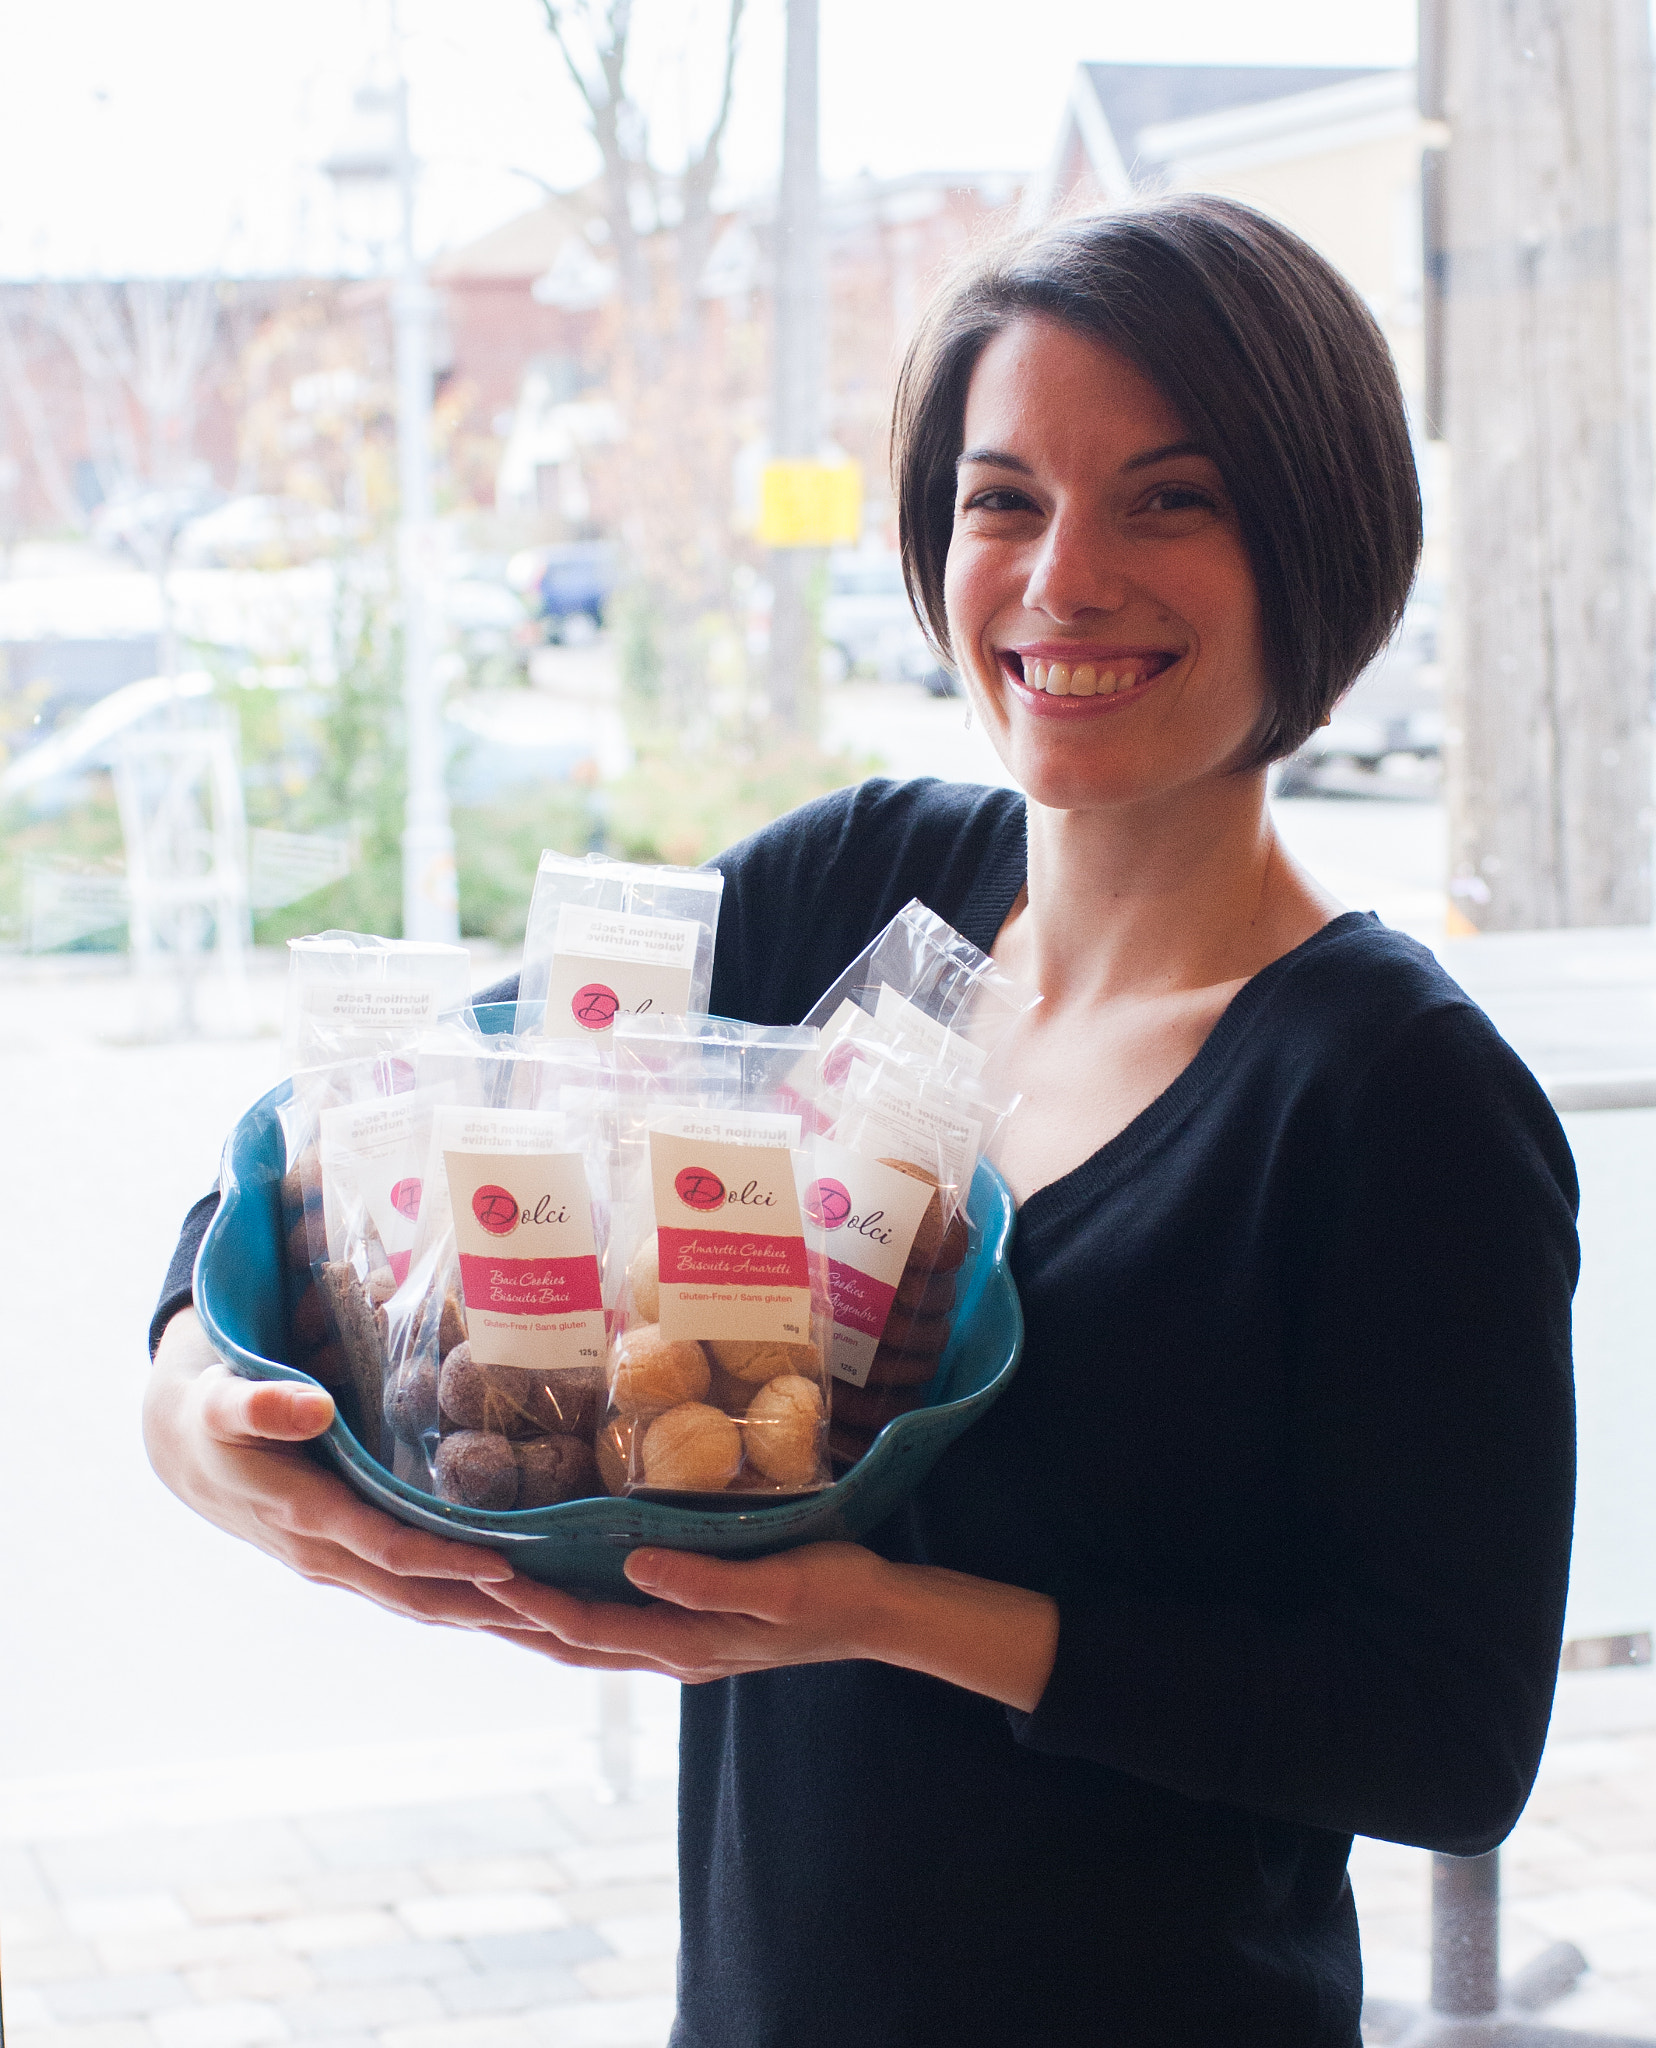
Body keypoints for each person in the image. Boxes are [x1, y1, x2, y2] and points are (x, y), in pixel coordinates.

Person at [147, 197, 1578, 2047]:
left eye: (1172, 499)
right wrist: (188, 1377)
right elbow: (401, 1125)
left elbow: (1446, 1742)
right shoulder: (848, 892)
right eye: (1004, 500)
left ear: (1324, 541)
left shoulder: (1397, 1097)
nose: (1064, 579)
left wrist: (894, 1612)